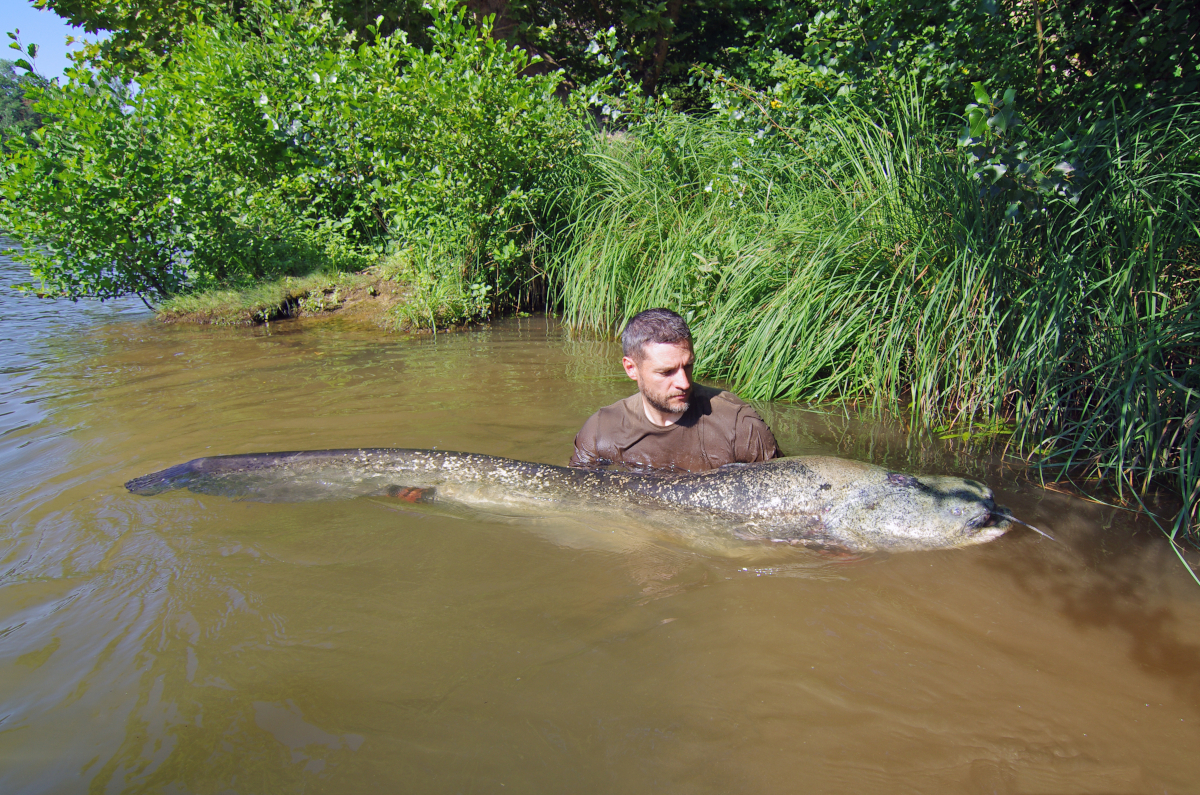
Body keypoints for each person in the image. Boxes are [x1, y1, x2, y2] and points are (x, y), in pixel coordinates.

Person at [569, 308, 780, 472]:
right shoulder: (601, 431)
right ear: (631, 368)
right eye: (667, 372)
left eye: (688, 366)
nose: (684, 383)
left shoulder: (739, 424)